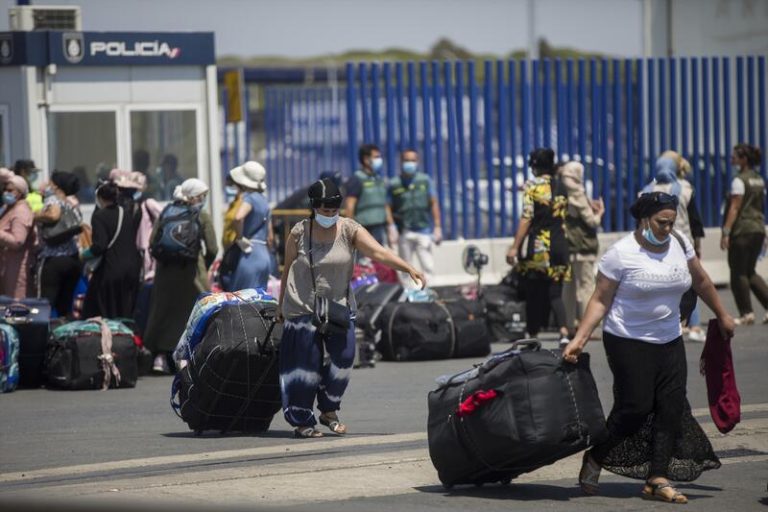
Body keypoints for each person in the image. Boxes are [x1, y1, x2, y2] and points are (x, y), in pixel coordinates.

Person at [563, 191, 735, 504]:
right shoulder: (620, 253)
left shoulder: (680, 244)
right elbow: (600, 299)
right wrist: (580, 338)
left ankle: (657, 478)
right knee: (635, 407)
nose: (666, 229)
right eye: (661, 223)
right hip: (627, 340)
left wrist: (723, 314)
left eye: (670, 223)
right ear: (644, 219)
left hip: (669, 338)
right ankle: (596, 456)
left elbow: (702, 282)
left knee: (670, 407)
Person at [278, 178, 425, 438]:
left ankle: (328, 408)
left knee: (345, 357)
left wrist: (408, 268)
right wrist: (280, 306)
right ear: (313, 207)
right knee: (304, 365)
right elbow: (287, 268)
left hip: (337, 306)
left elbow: (379, 253)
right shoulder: (299, 232)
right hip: (301, 306)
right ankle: (301, 419)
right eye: (325, 211)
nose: (330, 215)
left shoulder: (349, 229)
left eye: (334, 211)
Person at [143, 178, 218, 374]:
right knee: (198, 312)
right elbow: (212, 247)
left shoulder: (167, 212)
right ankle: (191, 356)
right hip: (192, 271)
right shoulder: (201, 214)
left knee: (162, 311)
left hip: (165, 271)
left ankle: (159, 357)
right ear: (196, 197)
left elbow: (152, 241)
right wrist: (204, 265)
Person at [506, 148, 571, 346]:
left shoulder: (532, 187)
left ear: (533, 166)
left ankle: (532, 330)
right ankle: (564, 332)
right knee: (555, 292)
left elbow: (527, 218)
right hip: (560, 244)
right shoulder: (562, 186)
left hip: (540, 246)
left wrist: (515, 247)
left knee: (533, 289)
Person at [643, 151, 707, 341]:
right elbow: (695, 220)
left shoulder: (647, 190)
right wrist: (698, 245)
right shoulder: (686, 188)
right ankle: (694, 326)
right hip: (683, 242)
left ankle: (664, 323)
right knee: (690, 284)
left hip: (655, 244)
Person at [721, 143, 768, 325]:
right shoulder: (758, 179)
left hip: (742, 231)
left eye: (735, 155)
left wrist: (726, 232)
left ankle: (746, 313)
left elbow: (734, 207)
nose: (732, 158)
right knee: (750, 272)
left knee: (738, 272)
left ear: (744, 159)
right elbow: (759, 207)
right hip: (757, 229)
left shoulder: (739, 181)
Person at [82, 182, 141, 319]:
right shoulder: (126, 214)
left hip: (111, 270)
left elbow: (100, 246)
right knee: (126, 310)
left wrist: (84, 254)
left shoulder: (99, 216)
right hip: (132, 268)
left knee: (105, 311)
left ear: (100, 198)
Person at [560, 161, 604, 336]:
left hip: (567, 245)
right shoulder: (577, 192)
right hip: (582, 246)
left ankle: (569, 325)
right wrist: (599, 213)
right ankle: (588, 328)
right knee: (586, 286)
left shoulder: (560, 190)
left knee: (568, 287)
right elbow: (591, 221)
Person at [388, 149, 442, 287]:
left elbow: (433, 202)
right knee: (405, 266)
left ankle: (428, 292)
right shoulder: (394, 183)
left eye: (413, 160)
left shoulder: (424, 180)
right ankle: (408, 295)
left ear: (417, 162)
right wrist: (391, 226)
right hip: (404, 231)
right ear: (401, 162)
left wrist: (437, 226)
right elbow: (387, 206)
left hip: (423, 229)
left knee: (427, 264)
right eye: (406, 160)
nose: (409, 163)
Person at [34, 171, 83, 317]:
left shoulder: (52, 200)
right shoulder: (71, 203)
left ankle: (42, 337)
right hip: (72, 259)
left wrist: (36, 215)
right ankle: (63, 335)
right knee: (65, 305)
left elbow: (53, 214)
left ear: (56, 186)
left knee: (45, 304)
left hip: (54, 259)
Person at [228, 161, 274, 291]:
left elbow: (238, 218)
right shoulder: (264, 201)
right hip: (264, 256)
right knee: (259, 300)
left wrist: (240, 237)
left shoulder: (250, 198)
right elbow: (270, 237)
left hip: (249, 255)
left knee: (242, 300)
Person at [344, 143, 396, 247]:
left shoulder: (378, 179)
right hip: (364, 228)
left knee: (378, 260)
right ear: (366, 159)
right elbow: (350, 206)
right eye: (376, 157)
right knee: (364, 261)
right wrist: (351, 230)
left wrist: (391, 225)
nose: (379, 160)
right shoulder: (357, 179)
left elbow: (384, 204)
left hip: (379, 227)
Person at [0, 170, 35, 298]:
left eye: (10, 191)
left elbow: (18, 241)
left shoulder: (21, 211)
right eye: (5, 190)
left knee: (17, 306)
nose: (6, 193)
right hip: (6, 265)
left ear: (20, 193)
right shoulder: (8, 208)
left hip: (17, 266)